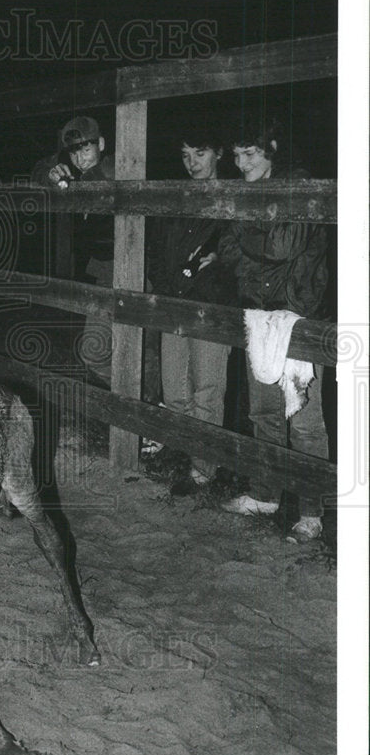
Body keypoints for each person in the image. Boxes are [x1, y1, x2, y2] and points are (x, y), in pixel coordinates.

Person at [217, 112, 330, 542]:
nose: (240, 164)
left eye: (250, 153)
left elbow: (283, 245)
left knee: (302, 417)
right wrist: (251, 237)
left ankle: (311, 511)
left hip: (298, 312)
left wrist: (243, 220)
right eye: (236, 155)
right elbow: (229, 249)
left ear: (272, 150)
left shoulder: (297, 183)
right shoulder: (252, 190)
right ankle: (265, 493)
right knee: (263, 410)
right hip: (258, 310)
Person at [147, 128, 236, 489]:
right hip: (175, 301)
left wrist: (218, 258)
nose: (192, 163)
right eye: (185, 155)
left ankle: (204, 468)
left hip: (212, 305)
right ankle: (178, 454)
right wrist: (164, 288)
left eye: (199, 153)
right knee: (175, 389)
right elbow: (158, 248)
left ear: (217, 153)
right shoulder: (177, 196)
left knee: (208, 389)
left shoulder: (234, 196)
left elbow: (236, 252)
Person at [31, 116, 116, 386]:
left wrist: (68, 178)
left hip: (136, 270)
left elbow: (108, 173)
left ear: (101, 144)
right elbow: (38, 170)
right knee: (101, 351)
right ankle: (139, 405)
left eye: (86, 149)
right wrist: (52, 173)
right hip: (106, 271)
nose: (80, 158)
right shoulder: (78, 174)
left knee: (102, 351)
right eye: (74, 151)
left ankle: (143, 406)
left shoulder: (115, 164)